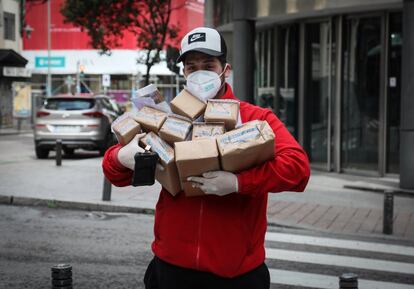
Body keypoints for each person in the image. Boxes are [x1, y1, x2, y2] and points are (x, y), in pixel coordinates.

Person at [102, 27, 310, 289]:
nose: (199, 73)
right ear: (184, 73)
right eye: (192, 67)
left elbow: (298, 167)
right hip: (170, 268)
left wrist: (239, 182)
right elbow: (113, 174)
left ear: (225, 69)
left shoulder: (255, 119)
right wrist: (122, 157)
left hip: (236, 274)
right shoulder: (167, 117)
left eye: (208, 65)